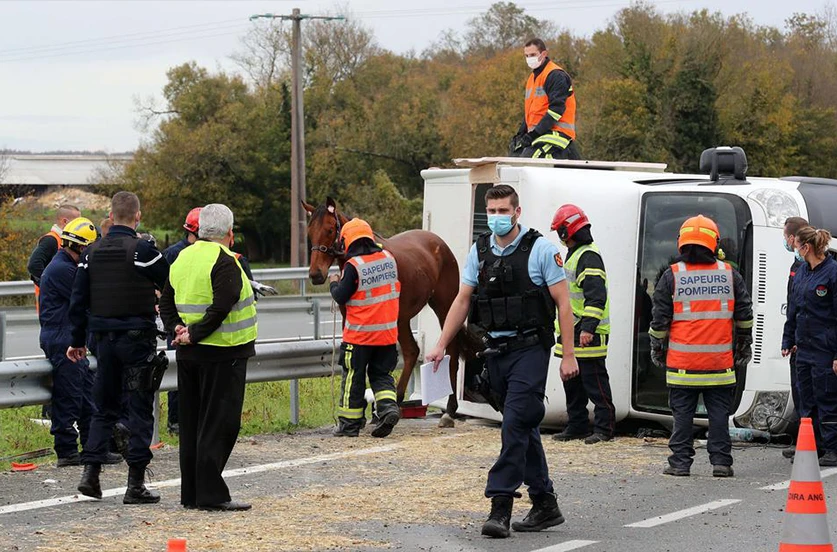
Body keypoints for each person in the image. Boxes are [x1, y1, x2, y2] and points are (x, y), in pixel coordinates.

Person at [426, 184, 579, 539]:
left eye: (503, 211)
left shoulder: (540, 249)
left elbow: (564, 305)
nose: (497, 218)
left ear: (517, 212)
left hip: (530, 350)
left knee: (513, 425)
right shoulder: (479, 251)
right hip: (494, 351)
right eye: (491, 212)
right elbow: (463, 301)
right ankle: (545, 503)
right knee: (523, 424)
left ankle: (500, 505)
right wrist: (441, 344)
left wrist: (567, 355)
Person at [68, 191, 169, 504]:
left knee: (104, 407)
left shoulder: (91, 253)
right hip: (137, 340)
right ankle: (135, 484)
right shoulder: (143, 250)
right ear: (137, 217)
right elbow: (169, 283)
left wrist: (76, 340)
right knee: (139, 407)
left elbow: (78, 300)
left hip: (102, 341)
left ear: (110, 218)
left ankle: (91, 474)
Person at [159, 204, 257, 511]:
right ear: (229, 234)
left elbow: (166, 301)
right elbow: (222, 305)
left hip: (189, 354)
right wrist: (195, 333)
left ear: (200, 231)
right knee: (220, 424)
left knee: (192, 424)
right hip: (224, 353)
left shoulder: (182, 257)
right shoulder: (226, 260)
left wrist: (177, 328)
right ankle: (212, 494)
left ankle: (192, 493)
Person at [649, 215, 753, 478]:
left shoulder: (672, 275)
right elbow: (744, 315)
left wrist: (657, 348)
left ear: (681, 243)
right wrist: (743, 344)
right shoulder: (729, 274)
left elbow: (660, 320)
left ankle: (680, 463)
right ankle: (721, 463)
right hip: (719, 364)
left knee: (682, 416)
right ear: (713, 243)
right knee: (718, 415)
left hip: (683, 365)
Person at [328, 218, 401, 439]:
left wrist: (333, 281)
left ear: (347, 241)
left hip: (359, 336)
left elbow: (340, 295)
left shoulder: (353, 266)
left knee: (353, 377)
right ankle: (388, 409)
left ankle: (349, 425)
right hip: (387, 335)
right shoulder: (389, 259)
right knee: (382, 375)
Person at [550, 205, 616, 444]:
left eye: (560, 231)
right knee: (572, 384)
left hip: (588, 333)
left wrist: (588, 328)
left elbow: (596, 296)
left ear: (568, 232)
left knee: (595, 383)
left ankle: (604, 428)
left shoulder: (588, 256)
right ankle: (577, 425)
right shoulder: (577, 254)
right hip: (572, 332)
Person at [38, 217, 101, 466]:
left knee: (87, 395)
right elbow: (88, 299)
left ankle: (91, 447)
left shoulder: (68, 265)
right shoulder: (63, 270)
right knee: (69, 396)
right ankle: (66, 451)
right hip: (62, 339)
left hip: (70, 337)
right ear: (82, 247)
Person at [782, 226, 837, 467]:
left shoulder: (832, 273)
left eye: (797, 245)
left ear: (807, 247)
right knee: (806, 398)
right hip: (804, 348)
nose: (795, 248)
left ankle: (832, 448)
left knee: (827, 398)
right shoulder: (802, 272)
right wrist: (788, 340)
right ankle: (810, 444)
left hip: (825, 347)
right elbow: (793, 309)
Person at [161, 207, 203, 436]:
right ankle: (176, 420)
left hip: (201, 327)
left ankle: (194, 420)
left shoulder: (208, 253)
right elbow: (163, 291)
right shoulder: (173, 254)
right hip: (178, 327)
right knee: (179, 376)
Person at [509, 38, 580, 160]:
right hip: (539, 135)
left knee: (527, 161)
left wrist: (533, 134)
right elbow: (531, 113)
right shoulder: (532, 78)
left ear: (544, 54)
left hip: (557, 135)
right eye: (526, 56)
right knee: (514, 157)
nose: (529, 59)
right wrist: (520, 134)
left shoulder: (556, 75)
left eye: (532, 55)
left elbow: (556, 110)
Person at [781, 217, 810, 460]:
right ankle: (804, 440)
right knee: (800, 393)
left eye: (786, 237)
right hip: (797, 338)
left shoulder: (809, 267)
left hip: (809, 340)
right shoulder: (797, 265)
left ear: (793, 239)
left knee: (807, 394)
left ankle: (812, 442)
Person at [28, 204, 81, 312]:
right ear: (65, 221)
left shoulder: (67, 241)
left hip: (60, 302)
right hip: (51, 305)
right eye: (77, 222)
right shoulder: (51, 240)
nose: (80, 226)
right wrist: (49, 285)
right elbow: (33, 265)